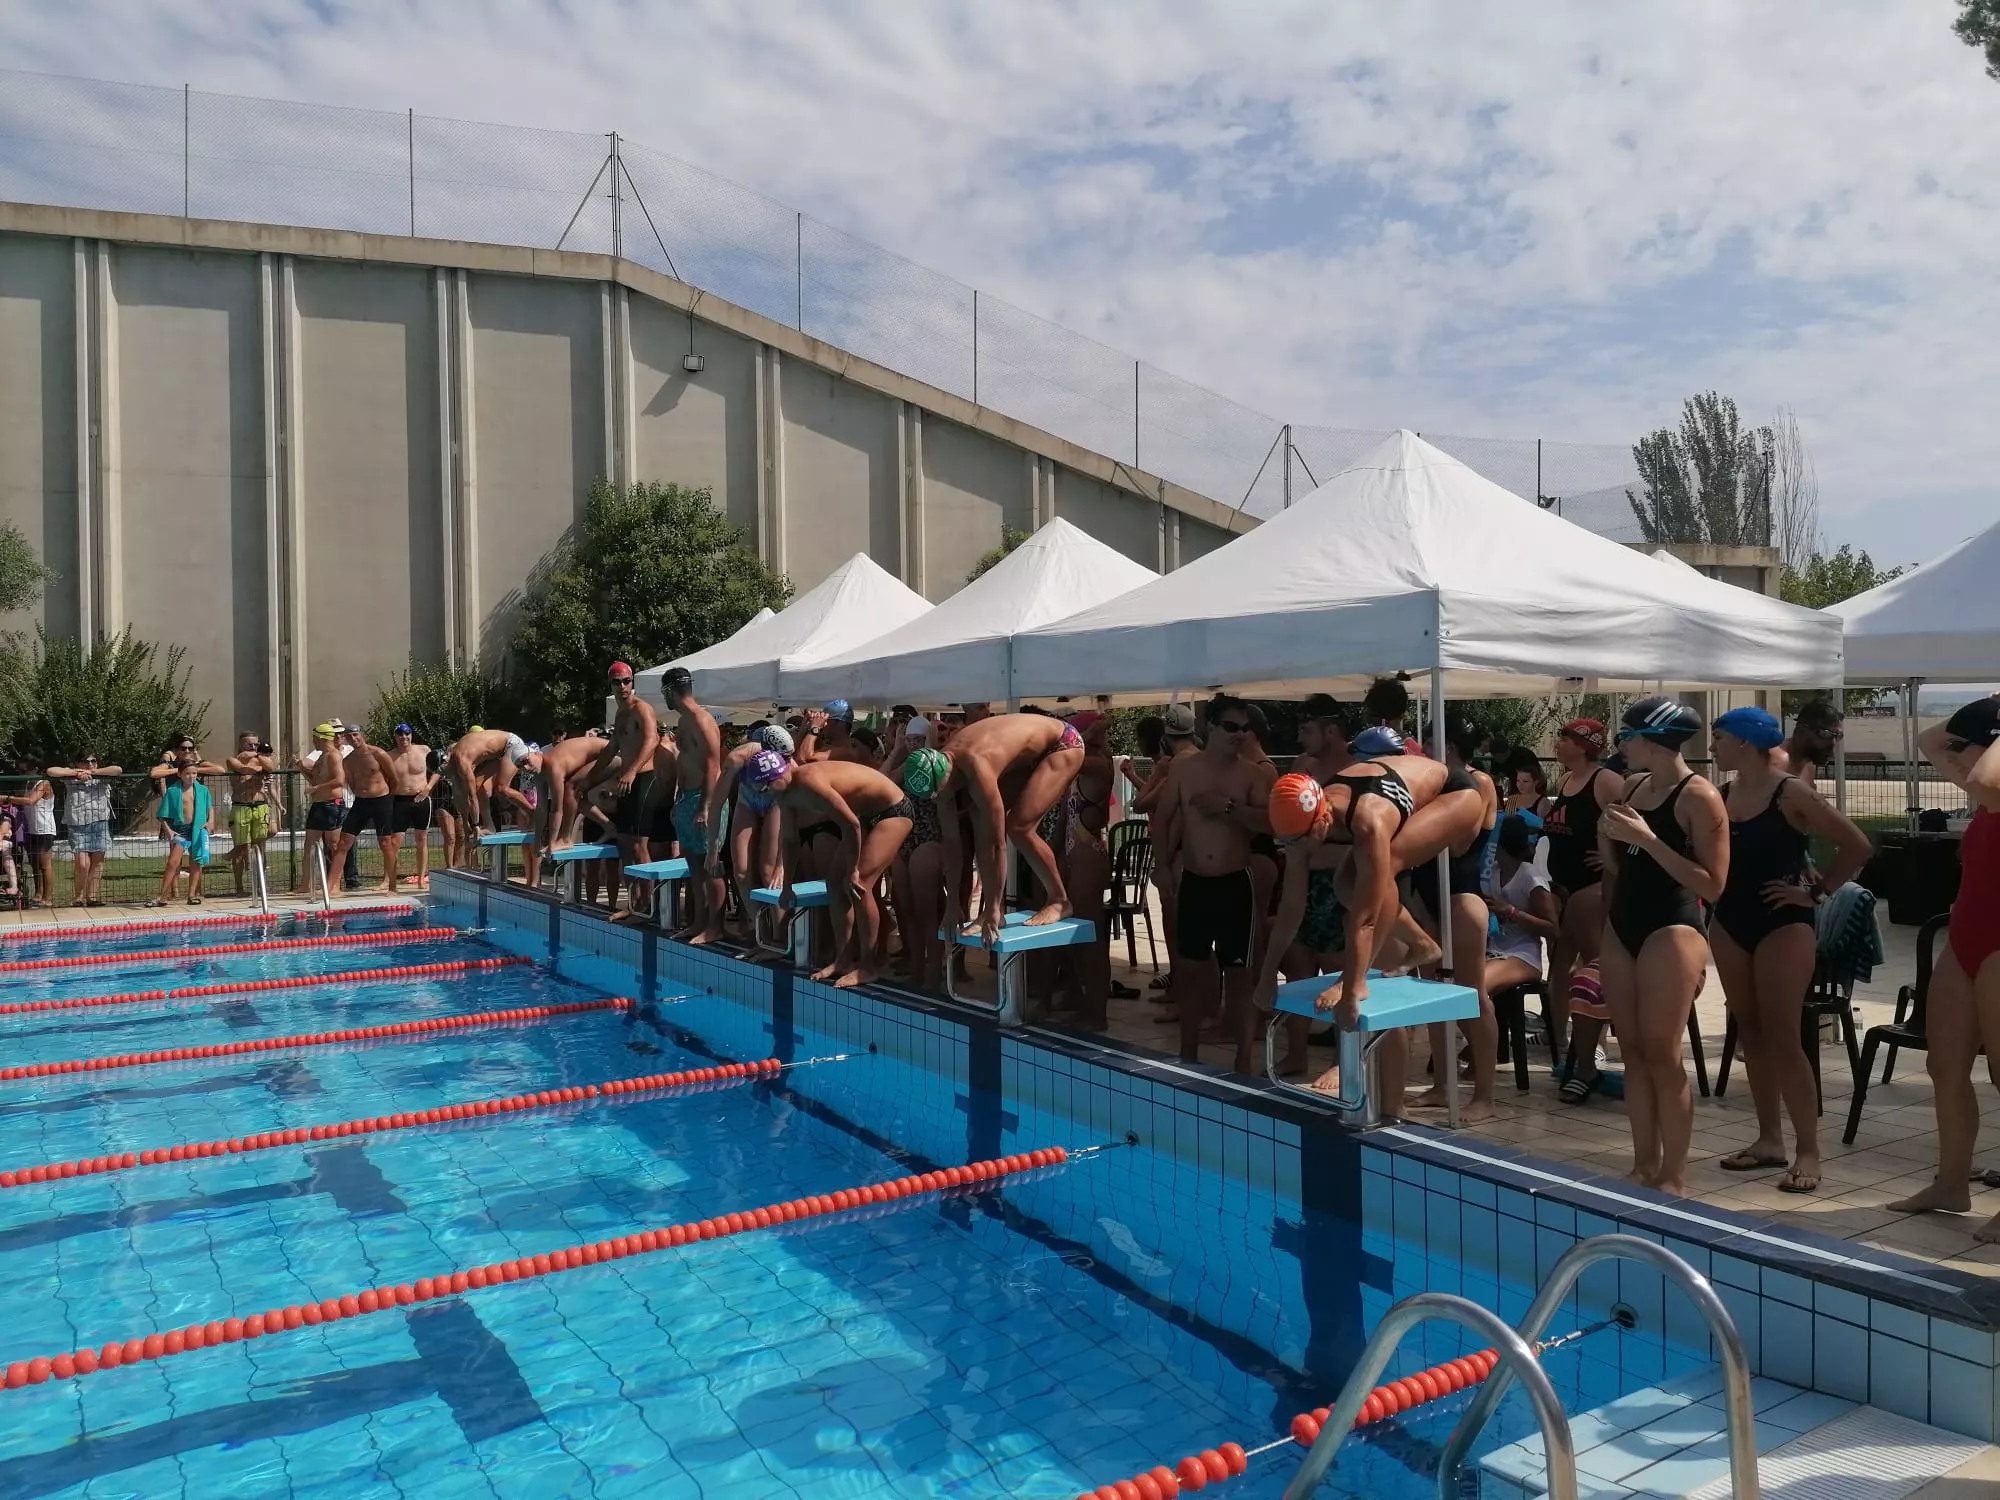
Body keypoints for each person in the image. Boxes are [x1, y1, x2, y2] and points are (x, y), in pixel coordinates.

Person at [1256, 745, 1485, 1108]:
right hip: (1401, 794)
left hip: (1454, 793)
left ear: (1322, 819)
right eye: (1292, 843)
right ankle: (1422, 944)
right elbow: (1291, 906)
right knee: (1345, 883)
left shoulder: (1368, 820)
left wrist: (1351, 985)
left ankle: (1373, 970)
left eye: (1304, 841)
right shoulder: (1303, 821)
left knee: (1380, 867)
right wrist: (1267, 976)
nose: (1300, 850)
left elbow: (1365, 918)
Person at [1706, 705, 1871, 1195]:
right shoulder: (1722, 794)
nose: (1712, 747)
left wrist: (1817, 893)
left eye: (1718, 738)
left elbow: (1857, 845)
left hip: (1784, 924)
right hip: (1731, 923)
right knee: (1749, 1033)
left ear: (1743, 743)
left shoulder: (1789, 792)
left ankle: (1808, 1151)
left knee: (1783, 1036)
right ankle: (1768, 1140)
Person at [1598, 696, 1729, 1197]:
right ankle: (1642, 1164)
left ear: (1651, 740)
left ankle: (1674, 1174)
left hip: (1673, 931)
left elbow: (1713, 885)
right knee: (1630, 1049)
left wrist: (1650, 839)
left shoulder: (1701, 797)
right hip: (1623, 925)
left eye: (1625, 738)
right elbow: (1620, 869)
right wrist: (1609, 839)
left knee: (1661, 1050)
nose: (1620, 748)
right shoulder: (1632, 787)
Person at [1886, 696, 2000, 1237]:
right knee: (1944, 1066)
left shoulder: (1991, 786)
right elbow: (1933, 739)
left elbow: (1979, 767)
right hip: (1965, 941)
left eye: (1969, 747)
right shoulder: (1984, 797)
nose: (1953, 758)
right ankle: (1951, 1182)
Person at [1151, 696, 1271, 1067]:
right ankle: (1187, 1054)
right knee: (1189, 973)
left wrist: (1229, 808)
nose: (1240, 735)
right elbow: (1164, 819)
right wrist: (1162, 865)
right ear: (1211, 728)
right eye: (1232, 727)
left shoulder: (1252, 774)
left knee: (1240, 976)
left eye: (1245, 729)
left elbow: (1270, 824)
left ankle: (1244, 1060)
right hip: (1195, 884)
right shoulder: (1185, 772)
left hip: (1236, 884)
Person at [747, 749, 913, 988]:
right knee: (834, 883)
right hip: (865, 816)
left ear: (779, 774)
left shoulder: (809, 782)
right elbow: (791, 840)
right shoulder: (784, 794)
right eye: (762, 790)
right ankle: (843, 959)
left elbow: (851, 824)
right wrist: (787, 887)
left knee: (859, 885)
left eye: (767, 787)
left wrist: (854, 867)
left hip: (892, 811)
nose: (767, 793)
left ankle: (868, 967)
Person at [1406, 716, 1502, 1121]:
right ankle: (1442, 1086)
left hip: (1462, 898)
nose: (1424, 750)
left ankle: (1484, 1094)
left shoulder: (1477, 784)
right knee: (1431, 994)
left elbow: (1461, 845)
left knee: (1471, 997)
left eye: (1429, 743)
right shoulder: (1431, 782)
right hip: (1427, 896)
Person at [931, 712, 1088, 946]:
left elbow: (997, 844)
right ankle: (996, 910)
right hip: (1031, 752)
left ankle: (1059, 899)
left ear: (951, 775)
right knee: (977, 816)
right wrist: (952, 903)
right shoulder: (940, 778)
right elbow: (952, 845)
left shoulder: (977, 765)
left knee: (1019, 827)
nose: (944, 800)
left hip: (1063, 742)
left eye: (945, 794)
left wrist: (992, 906)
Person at [1542, 718, 1619, 1065]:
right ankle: (1558, 1035)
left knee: (1594, 968)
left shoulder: (1605, 781)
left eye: (1565, 738)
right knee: (1559, 967)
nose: (1558, 743)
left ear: (1585, 744)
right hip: (1563, 890)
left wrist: (1612, 858)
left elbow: (1639, 820)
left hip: (1592, 892)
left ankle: (1596, 1040)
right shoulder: (1567, 780)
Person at [705, 723, 790, 941]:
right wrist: (713, 849)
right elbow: (716, 805)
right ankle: (762, 929)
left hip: (775, 803)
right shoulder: (737, 759)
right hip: (748, 801)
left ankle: (780, 936)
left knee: (769, 872)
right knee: (741, 872)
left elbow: (792, 821)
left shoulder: (790, 765)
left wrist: (782, 865)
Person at [660, 668, 726, 941]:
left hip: (703, 798)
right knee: (694, 868)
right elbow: (685, 763)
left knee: (711, 866)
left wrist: (706, 807)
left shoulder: (702, 720)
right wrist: (679, 799)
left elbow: (714, 765)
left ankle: (716, 927)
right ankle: (700, 923)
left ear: (669, 691)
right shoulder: (684, 722)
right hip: (688, 799)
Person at [1484, 812, 1561, 1001]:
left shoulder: (1530, 878)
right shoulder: (1493, 871)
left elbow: (1553, 930)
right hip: (1494, 949)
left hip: (1524, 954)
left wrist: (1511, 911)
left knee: (1477, 985)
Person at [47, 753, 124, 907]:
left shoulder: (103, 774)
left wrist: (92, 773)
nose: (90, 764)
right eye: (86, 761)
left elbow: (118, 769)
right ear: (78, 762)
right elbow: (51, 771)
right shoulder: (71, 776)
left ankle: (92, 897)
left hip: (100, 821)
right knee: (82, 863)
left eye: (93, 761)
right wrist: (76, 773)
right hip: (78, 823)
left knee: (97, 862)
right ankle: (78, 896)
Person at [328, 725, 397, 895]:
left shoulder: (378, 754)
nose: (353, 739)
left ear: (362, 735)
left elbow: (394, 779)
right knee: (344, 842)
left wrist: (387, 798)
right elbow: (351, 783)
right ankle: (330, 887)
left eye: (355, 735)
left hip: (381, 801)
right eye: (349, 736)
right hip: (361, 803)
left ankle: (392, 887)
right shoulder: (348, 760)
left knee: (386, 843)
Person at [150, 758, 214, 906]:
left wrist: (210, 822)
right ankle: (162, 896)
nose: (191, 776)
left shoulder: (202, 790)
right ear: (179, 774)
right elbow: (162, 815)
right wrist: (169, 831)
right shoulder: (173, 791)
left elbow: (210, 808)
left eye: (194, 773)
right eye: (187, 773)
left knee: (196, 862)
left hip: (197, 829)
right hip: (180, 831)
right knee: (173, 863)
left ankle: (191, 895)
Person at [293, 723, 346, 896]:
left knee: (334, 845)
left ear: (321, 738)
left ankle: (336, 885)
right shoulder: (322, 757)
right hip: (319, 805)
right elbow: (315, 780)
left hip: (332, 804)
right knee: (309, 844)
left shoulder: (334, 756)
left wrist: (316, 789)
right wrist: (301, 768)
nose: (313, 742)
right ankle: (305, 884)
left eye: (314, 738)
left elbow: (339, 780)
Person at [224, 733, 278, 896]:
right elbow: (243, 769)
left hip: (260, 805)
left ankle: (260, 884)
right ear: (241, 746)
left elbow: (271, 767)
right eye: (250, 745)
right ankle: (239, 887)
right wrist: (258, 768)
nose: (254, 748)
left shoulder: (260, 759)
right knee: (241, 848)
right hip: (241, 806)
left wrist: (257, 757)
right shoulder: (232, 760)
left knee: (260, 846)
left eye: (256, 745)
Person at [383, 724, 435, 891]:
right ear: (395, 737)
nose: (404, 737)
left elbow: (440, 768)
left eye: (407, 734)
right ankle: (388, 880)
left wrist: (428, 788)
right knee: (394, 842)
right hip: (400, 801)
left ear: (411, 735)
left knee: (422, 840)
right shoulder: (389, 756)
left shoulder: (424, 750)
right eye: (400, 734)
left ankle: (421, 879)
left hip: (421, 799)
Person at [1781, 698, 1843, 788]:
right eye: (1825, 733)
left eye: (1838, 736)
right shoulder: (1773, 761)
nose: (1833, 743)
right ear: (1801, 731)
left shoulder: (1808, 763)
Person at [1502, 750, 1550, 819]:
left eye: (1526, 781)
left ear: (1536, 782)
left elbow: (1543, 826)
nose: (1520, 785)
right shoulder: (1512, 800)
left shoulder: (1542, 801)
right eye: (1518, 781)